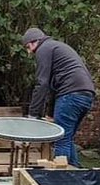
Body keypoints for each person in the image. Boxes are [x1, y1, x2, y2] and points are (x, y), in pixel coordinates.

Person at [22, 27, 95, 167]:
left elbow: (42, 84)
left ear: (34, 42)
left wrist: (32, 114)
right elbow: (53, 87)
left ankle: (61, 180)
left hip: (71, 95)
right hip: (86, 94)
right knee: (67, 138)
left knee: (60, 139)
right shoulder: (55, 47)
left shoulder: (43, 49)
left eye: (28, 47)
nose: (29, 51)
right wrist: (50, 114)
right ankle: (76, 175)